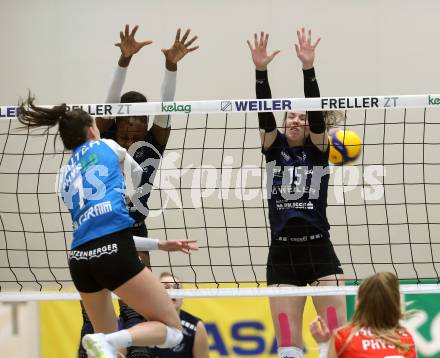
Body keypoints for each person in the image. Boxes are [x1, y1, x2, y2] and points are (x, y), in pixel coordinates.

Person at [17, 97, 184, 357]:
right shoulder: (108, 145)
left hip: (80, 259)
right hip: (114, 252)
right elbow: (140, 173)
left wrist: (159, 244)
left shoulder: (64, 175)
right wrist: (131, 194)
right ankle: (107, 341)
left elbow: (97, 233)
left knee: (110, 349)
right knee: (172, 331)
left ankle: (105, 342)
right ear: (92, 129)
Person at [77, 24, 198, 358]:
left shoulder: (153, 145)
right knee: (94, 311)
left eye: (142, 118)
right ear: (120, 120)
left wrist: (171, 66)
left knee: (135, 308)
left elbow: (167, 108)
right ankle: (94, 346)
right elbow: (106, 106)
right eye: (131, 117)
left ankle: (135, 351)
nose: (137, 123)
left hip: (134, 230)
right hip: (99, 230)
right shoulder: (104, 142)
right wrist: (123, 61)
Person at [246, 28, 346, 358]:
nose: (294, 120)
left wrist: (309, 68)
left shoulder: (319, 149)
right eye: (290, 114)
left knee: (334, 339)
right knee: (288, 346)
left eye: (301, 117)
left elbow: (317, 115)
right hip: (282, 256)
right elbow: (264, 113)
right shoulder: (272, 149)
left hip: (319, 254)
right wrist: (260, 71)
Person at [310, 272, 417, 358]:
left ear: (358, 303)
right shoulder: (406, 339)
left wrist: (323, 345)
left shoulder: (343, 338)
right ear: (396, 305)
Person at [147, 272, 210, 358]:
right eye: (166, 287)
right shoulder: (140, 321)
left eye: (176, 288)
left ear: (182, 297)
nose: (172, 291)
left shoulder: (196, 326)